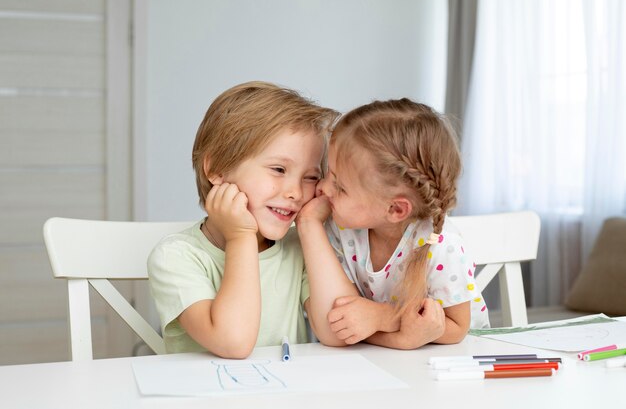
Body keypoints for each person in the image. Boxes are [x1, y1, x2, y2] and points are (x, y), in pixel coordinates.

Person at [148, 81, 339, 358]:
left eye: (310, 177)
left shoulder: (301, 245)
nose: (295, 193)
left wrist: (310, 226)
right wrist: (241, 237)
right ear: (217, 169)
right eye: (278, 169)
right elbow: (233, 342)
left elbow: (336, 331)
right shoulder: (176, 256)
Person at [298, 98, 490, 350]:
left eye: (340, 187)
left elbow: (456, 329)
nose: (322, 188)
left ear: (395, 209)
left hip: (454, 360)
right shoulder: (342, 229)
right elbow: (348, 320)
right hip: (384, 363)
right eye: (328, 174)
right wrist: (398, 337)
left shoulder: (442, 246)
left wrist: (383, 319)